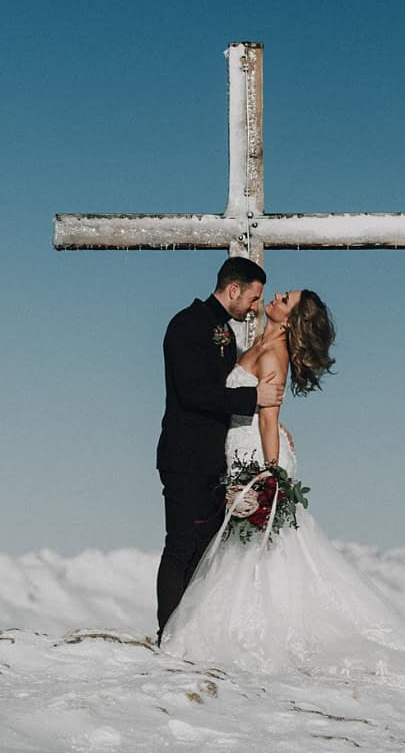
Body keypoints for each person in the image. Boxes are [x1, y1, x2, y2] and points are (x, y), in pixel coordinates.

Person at [160, 285, 405, 694]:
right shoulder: (260, 336)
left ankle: (255, 637)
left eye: (285, 299)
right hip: (238, 445)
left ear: (292, 319)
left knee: (258, 551)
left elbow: (266, 417)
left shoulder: (274, 353)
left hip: (254, 452)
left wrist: (269, 473)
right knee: (238, 551)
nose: (276, 297)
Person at [155, 255, 283, 641]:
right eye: (253, 298)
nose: (254, 307)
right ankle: (169, 634)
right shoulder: (187, 326)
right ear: (233, 290)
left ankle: (188, 632)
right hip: (184, 456)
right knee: (180, 546)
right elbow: (194, 393)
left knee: (204, 551)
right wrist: (253, 397)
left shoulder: (222, 329)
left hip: (213, 460)